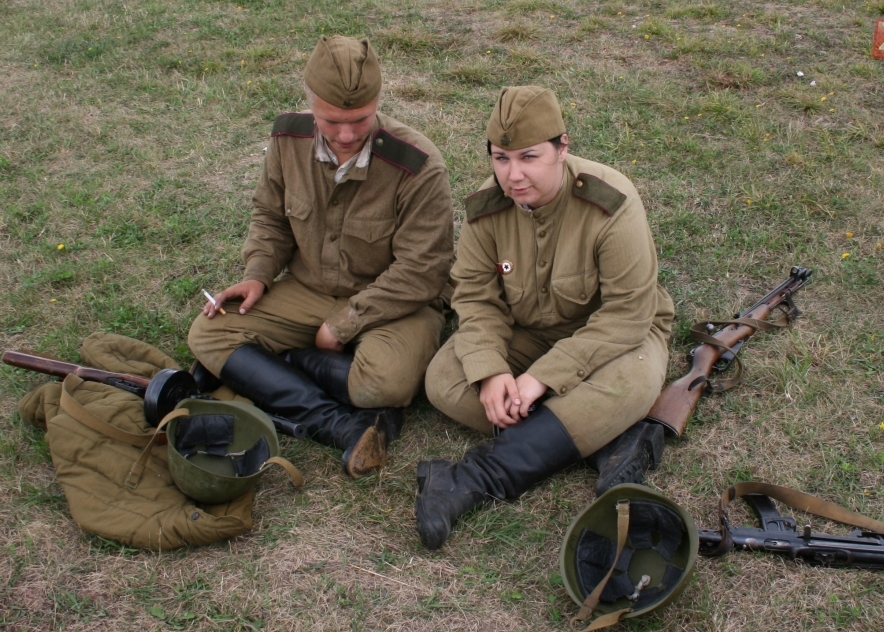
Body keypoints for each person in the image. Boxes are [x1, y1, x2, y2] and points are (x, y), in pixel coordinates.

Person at [416, 86, 675, 549]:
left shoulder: (611, 202)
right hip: (529, 330)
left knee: (632, 383)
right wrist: (490, 370)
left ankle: (471, 478)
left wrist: (542, 378)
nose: (513, 175)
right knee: (445, 381)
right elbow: (475, 298)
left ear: (562, 148)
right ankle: (606, 434)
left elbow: (628, 314)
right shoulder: (486, 207)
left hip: (619, 339)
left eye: (529, 157)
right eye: (501, 159)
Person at [188, 36, 453, 479]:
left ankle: (278, 366)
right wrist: (258, 273)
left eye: (361, 120)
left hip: (395, 302)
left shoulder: (418, 164)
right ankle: (339, 423)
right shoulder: (287, 140)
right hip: (310, 289)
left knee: (384, 382)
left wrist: (343, 324)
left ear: (379, 102)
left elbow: (422, 271)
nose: (346, 136)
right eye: (331, 121)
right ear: (310, 102)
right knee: (209, 334)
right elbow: (270, 216)